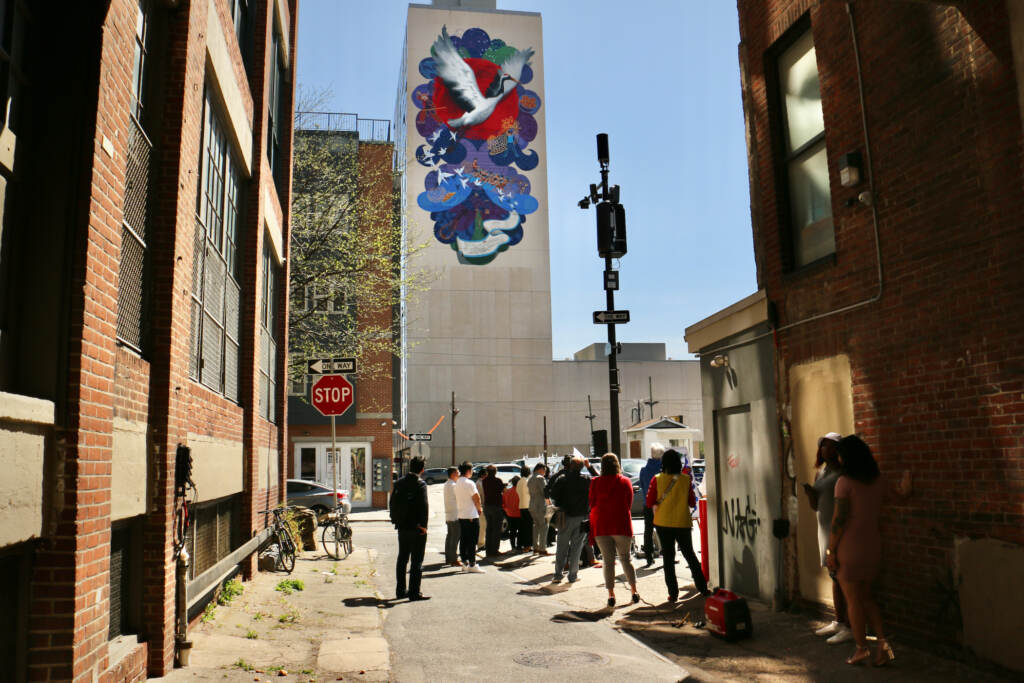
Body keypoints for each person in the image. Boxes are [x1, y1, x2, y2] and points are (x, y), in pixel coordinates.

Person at [826, 435, 893, 667]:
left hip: (850, 547)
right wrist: (906, 487)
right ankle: (883, 646)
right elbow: (898, 496)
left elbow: (838, 520)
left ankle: (861, 649)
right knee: (867, 598)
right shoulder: (878, 480)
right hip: (873, 545)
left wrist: (830, 550)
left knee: (853, 601)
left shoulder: (844, 482)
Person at [802, 432, 851, 644]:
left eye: (830, 446)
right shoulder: (821, 473)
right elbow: (815, 506)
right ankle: (839, 620)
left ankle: (850, 625)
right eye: (823, 446)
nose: (826, 450)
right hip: (823, 529)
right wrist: (811, 495)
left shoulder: (844, 472)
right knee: (834, 575)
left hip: (839, 530)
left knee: (842, 577)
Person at [647, 447, 709, 601]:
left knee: (668, 558)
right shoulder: (686, 479)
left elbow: (649, 501)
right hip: (682, 522)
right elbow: (691, 501)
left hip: (663, 523)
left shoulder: (657, 479)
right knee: (690, 555)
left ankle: (673, 594)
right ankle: (702, 587)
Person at [589, 453, 639, 607]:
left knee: (608, 562)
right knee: (625, 559)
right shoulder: (625, 481)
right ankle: (634, 591)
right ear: (617, 465)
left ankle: (611, 595)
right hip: (621, 524)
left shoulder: (595, 482)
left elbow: (591, 503)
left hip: (602, 525)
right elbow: (629, 503)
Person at [389, 455, 429, 600]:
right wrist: (424, 526)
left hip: (402, 527)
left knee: (402, 559)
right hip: (417, 528)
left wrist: (396, 521)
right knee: (417, 561)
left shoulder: (399, 483)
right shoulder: (421, 484)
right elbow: (424, 507)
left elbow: (392, 503)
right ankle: (414, 592)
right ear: (422, 469)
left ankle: (400, 590)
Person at [549, 455, 591, 584]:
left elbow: (553, 495)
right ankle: (573, 575)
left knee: (561, 546)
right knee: (577, 547)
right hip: (582, 517)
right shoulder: (586, 480)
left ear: (570, 466)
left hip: (564, 516)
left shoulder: (562, 479)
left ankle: (557, 575)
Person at [454, 462, 485, 573]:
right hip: (471, 515)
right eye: (471, 470)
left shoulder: (457, 482)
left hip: (461, 515)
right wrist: (479, 508)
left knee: (463, 540)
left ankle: (465, 563)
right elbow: (476, 498)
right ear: (468, 471)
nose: (472, 472)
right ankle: (472, 564)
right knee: (472, 541)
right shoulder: (469, 483)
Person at [638, 442, 664, 567]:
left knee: (648, 530)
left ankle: (649, 556)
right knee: (663, 531)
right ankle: (666, 553)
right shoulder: (663, 470)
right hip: (662, 505)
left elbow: (643, 486)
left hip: (647, 504)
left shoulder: (644, 470)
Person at [481, 464, 505, 557]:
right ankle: (495, 550)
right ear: (495, 472)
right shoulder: (498, 481)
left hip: (487, 506)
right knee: (496, 529)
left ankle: (488, 550)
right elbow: (503, 491)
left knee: (489, 528)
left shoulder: (484, 481)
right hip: (496, 506)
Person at [527, 463, 549, 554]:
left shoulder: (530, 478)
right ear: (540, 469)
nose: (545, 473)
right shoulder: (540, 478)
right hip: (540, 505)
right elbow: (545, 492)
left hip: (532, 505)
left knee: (536, 526)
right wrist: (550, 504)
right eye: (544, 470)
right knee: (544, 527)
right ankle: (542, 548)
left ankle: (535, 547)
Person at [442, 466, 461, 567]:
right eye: (457, 472)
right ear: (453, 474)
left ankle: (448, 558)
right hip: (455, 515)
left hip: (449, 514)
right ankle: (453, 559)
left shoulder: (447, 484)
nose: (459, 474)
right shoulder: (454, 485)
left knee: (450, 536)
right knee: (455, 537)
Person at [516, 466, 533, 551]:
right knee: (528, 527)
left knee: (522, 527)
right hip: (528, 506)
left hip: (521, 505)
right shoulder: (527, 481)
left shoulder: (519, 482)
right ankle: (528, 545)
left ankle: (521, 544)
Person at [503, 476, 522, 550]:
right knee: (520, 531)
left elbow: (503, 504)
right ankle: (519, 545)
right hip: (519, 513)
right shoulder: (520, 492)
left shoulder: (507, 492)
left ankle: (513, 546)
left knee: (512, 531)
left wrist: (507, 510)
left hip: (510, 514)